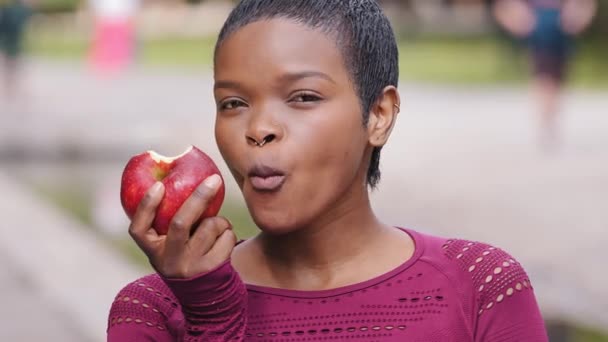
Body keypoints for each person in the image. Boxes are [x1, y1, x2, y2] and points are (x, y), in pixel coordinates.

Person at [107, 1, 549, 340]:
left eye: (303, 97)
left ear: (378, 115)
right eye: (233, 103)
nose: (258, 129)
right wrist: (210, 315)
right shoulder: (153, 310)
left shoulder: (482, 287)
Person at [492, 0, 597, 149]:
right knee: (543, 78)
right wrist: (518, 22)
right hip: (539, 29)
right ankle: (546, 120)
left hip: (560, 28)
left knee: (558, 79)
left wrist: (577, 19)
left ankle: (550, 118)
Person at [0, 0, 31, 100]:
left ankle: (10, 86)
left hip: (9, 40)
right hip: (15, 40)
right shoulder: (23, 10)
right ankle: (13, 86)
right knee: (14, 63)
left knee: (10, 64)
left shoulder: (7, 9)